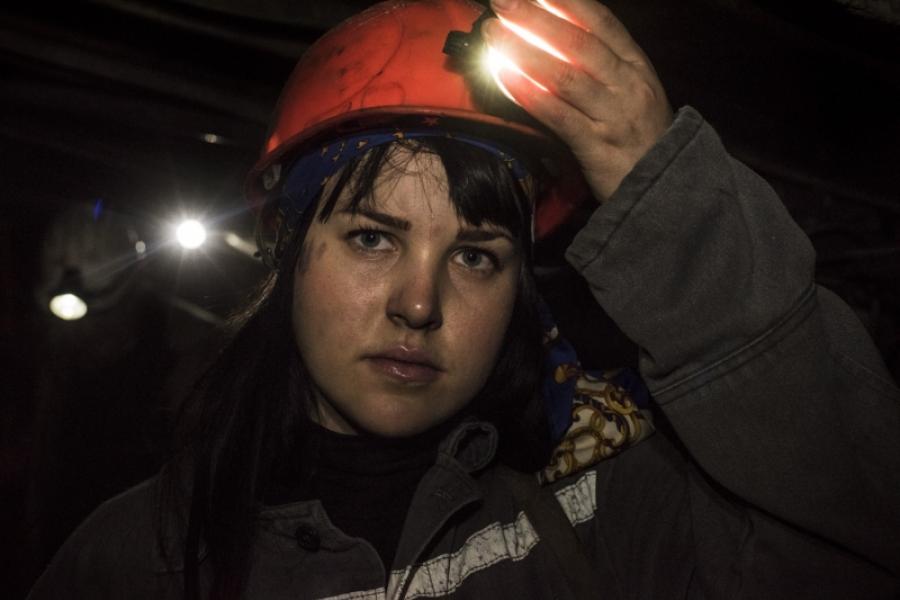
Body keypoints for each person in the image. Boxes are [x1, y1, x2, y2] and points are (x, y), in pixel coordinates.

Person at [27, 0, 900, 598]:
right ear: (288, 254)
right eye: (373, 238)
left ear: (521, 286)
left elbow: (853, 548)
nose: (419, 304)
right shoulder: (135, 563)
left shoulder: (608, 516)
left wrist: (677, 214)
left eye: (476, 257)